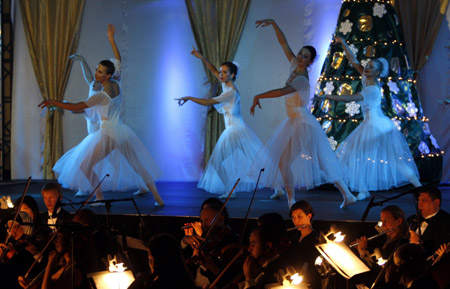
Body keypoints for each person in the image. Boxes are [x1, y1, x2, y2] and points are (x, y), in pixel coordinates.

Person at [38, 24, 164, 207]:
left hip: (109, 134)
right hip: (122, 130)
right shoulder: (116, 83)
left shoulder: (101, 95)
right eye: (97, 70)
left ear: (108, 75)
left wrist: (53, 101)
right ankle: (158, 198)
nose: (96, 74)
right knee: (137, 165)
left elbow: (77, 105)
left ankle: (99, 198)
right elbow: (118, 60)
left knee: (85, 165)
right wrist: (111, 40)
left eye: (99, 72)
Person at [251, 19, 356, 208]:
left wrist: (259, 95)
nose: (300, 57)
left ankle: (291, 200)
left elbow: (282, 92)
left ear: (310, 61)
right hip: (294, 122)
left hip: (301, 123)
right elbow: (283, 44)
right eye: (300, 53)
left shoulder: (301, 79)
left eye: (305, 56)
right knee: (319, 161)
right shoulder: (293, 63)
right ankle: (347, 194)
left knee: (286, 161)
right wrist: (275, 24)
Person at [316, 35, 422, 200]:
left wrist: (327, 97)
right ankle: (364, 190)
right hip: (374, 124)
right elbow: (353, 60)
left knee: (390, 159)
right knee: (355, 156)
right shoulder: (366, 78)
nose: (367, 68)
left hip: (376, 127)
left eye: (371, 67)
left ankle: (420, 189)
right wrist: (343, 43)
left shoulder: (371, 89)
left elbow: (349, 98)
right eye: (367, 65)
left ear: (378, 72)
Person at [176, 47, 283, 199]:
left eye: (225, 72)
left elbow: (207, 102)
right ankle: (276, 188)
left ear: (232, 75)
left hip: (235, 131)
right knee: (253, 161)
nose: (220, 74)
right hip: (237, 130)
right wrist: (202, 57)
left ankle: (231, 190)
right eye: (221, 72)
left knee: (225, 161)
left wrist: (189, 97)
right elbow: (213, 70)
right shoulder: (226, 85)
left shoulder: (230, 92)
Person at [353, 205, 410, 289]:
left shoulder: (399, 244)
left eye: (387, 221)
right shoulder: (389, 239)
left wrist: (363, 251)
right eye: (381, 221)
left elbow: (381, 272)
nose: (383, 225)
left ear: (399, 221)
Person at [128, 233, 198, 289]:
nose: (149, 264)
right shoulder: (185, 280)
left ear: (157, 260)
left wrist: (137, 283)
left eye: (150, 259)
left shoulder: (160, 285)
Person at [407, 186, 450, 257]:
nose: (419, 204)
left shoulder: (446, 222)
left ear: (436, 202)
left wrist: (418, 242)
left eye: (423, 201)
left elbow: (441, 252)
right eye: (419, 200)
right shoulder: (411, 219)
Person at [287, 200, 321, 289]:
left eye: (299, 216)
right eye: (293, 217)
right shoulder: (295, 237)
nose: (296, 221)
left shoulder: (316, 239)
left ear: (309, 216)